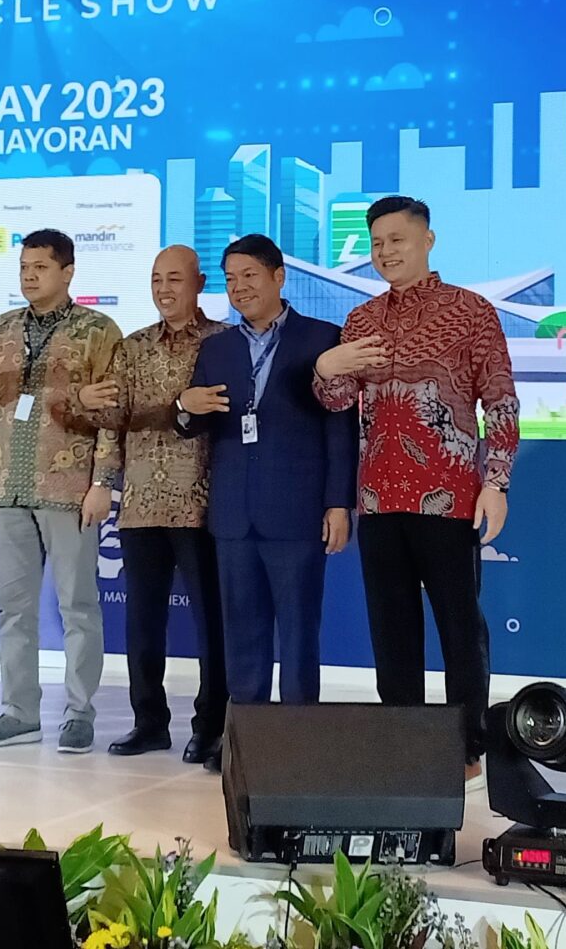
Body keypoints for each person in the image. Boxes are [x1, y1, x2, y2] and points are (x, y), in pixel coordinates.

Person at [313, 197, 518, 774]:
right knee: (392, 628)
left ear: (428, 240)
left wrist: (497, 480)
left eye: (397, 240)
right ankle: (403, 737)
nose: (385, 252)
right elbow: (335, 402)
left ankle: (467, 744)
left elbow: (500, 399)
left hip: (449, 497)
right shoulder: (362, 321)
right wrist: (327, 368)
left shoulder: (471, 311)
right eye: (377, 243)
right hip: (378, 499)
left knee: (460, 626)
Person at [0, 228, 125, 753]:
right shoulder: (0, 329)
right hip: (6, 488)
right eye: (24, 267)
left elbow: (113, 410)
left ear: (68, 272)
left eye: (40, 267)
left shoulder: (98, 330)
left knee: (78, 606)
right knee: (12, 607)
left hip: (69, 488)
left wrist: (103, 483)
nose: (29, 275)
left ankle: (79, 713)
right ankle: (19, 712)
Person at [180, 234, 356, 748]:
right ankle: (247, 746)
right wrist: (184, 407)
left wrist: (338, 502)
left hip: (297, 512)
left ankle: (298, 746)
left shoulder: (322, 338)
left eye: (249, 276)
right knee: (242, 635)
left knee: (299, 633)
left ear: (279, 277)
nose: (239, 287)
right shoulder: (217, 348)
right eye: (230, 279)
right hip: (234, 514)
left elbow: (340, 427)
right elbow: (196, 423)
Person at [77, 244, 228, 764]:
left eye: (175, 279)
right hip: (140, 501)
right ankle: (148, 723)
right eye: (156, 279)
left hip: (202, 502)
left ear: (199, 283)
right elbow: (112, 420)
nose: (164, 289)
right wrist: (103, 481)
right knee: (142, 621)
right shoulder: (132, 346)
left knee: (211, 621)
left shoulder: (223, 342)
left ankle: (211, 727)